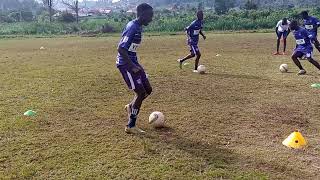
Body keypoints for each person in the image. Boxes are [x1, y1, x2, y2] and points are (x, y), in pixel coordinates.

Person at [116, 3, 153, 134]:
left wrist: (135, 64)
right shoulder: (132, 27)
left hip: (134, 63)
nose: (151, 19)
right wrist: (132, 66)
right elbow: (121, 48)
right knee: (141, 93)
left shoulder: (139, 26)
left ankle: (131, 107)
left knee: (148, 89)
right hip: (126, 65)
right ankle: (130, 125)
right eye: (150, 16)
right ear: (142, 14)